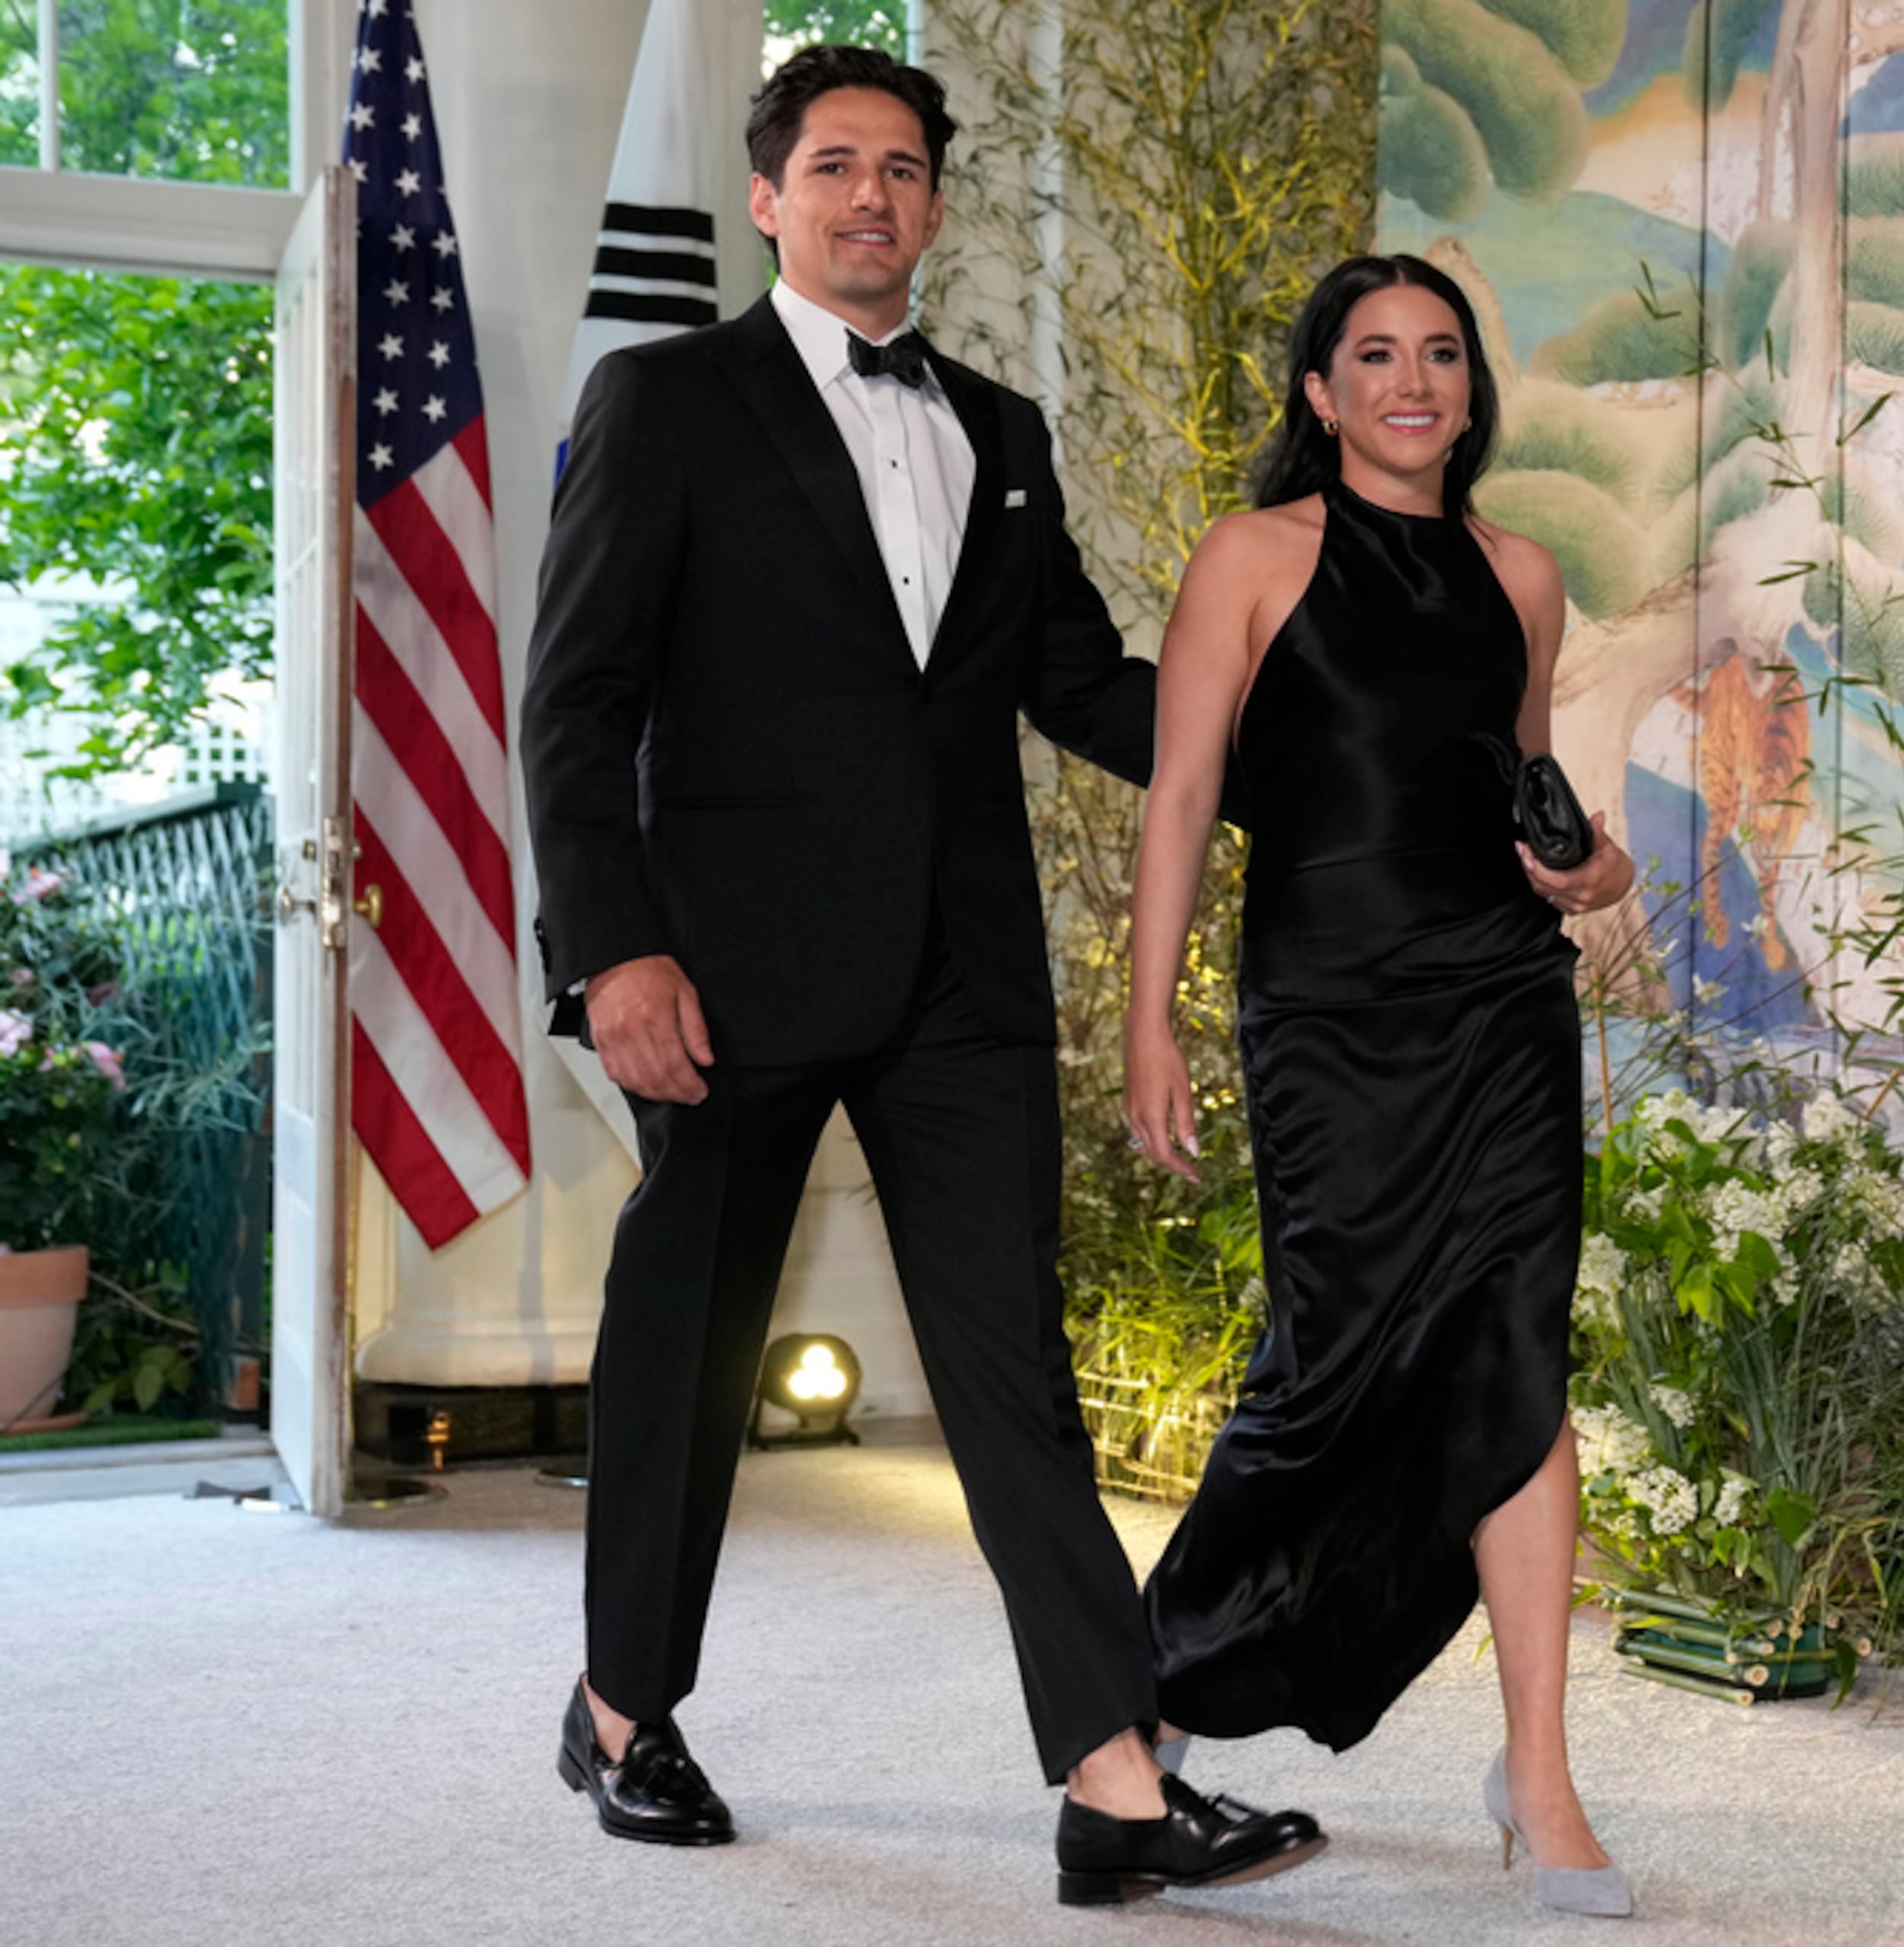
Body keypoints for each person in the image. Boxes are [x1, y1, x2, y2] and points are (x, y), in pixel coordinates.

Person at [519, 43, 1319, 1907]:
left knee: (1012, 1375)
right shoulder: (669, 401)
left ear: (936, 209)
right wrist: (613, 951)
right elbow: (575, 705)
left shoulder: (1003, 431)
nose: (874, 195)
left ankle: (1115, 1778)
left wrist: (1322, 769)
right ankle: (625, 1708)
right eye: (838, 166)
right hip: (721, 971)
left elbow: (1088, 686)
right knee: (688, 1353)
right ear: (771, 201)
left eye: (904, 169)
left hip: (962, 977)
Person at [1120, 254, 1640, 1918]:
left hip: (1499, 1006)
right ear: (1320, 394)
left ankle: (1539, 1774)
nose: (1412, 380)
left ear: (1472, 391)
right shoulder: (1252, 560)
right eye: (1374, 355)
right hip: (1330, 1016)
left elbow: (1526, 781)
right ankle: (1172, 1676)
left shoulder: (1526, 576)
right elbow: (1185, 795)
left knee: (1515, 1353)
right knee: (1324, 1374)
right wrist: (1151, 1021)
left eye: (1440, 354)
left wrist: (1588, 867)